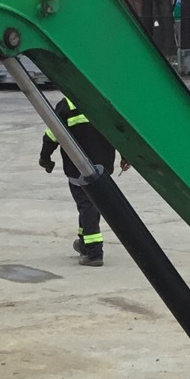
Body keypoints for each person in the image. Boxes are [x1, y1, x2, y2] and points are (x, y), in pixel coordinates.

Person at [38, 94, 125, 266]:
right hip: (103, 167)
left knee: (87, 206)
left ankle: (94, 253)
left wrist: (45, 158)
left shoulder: (67, 106)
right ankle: (84, 244)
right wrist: (126, 156)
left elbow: (52, 135)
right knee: (89, 206)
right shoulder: (103, 102)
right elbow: (119, 131)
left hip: (77, 168)